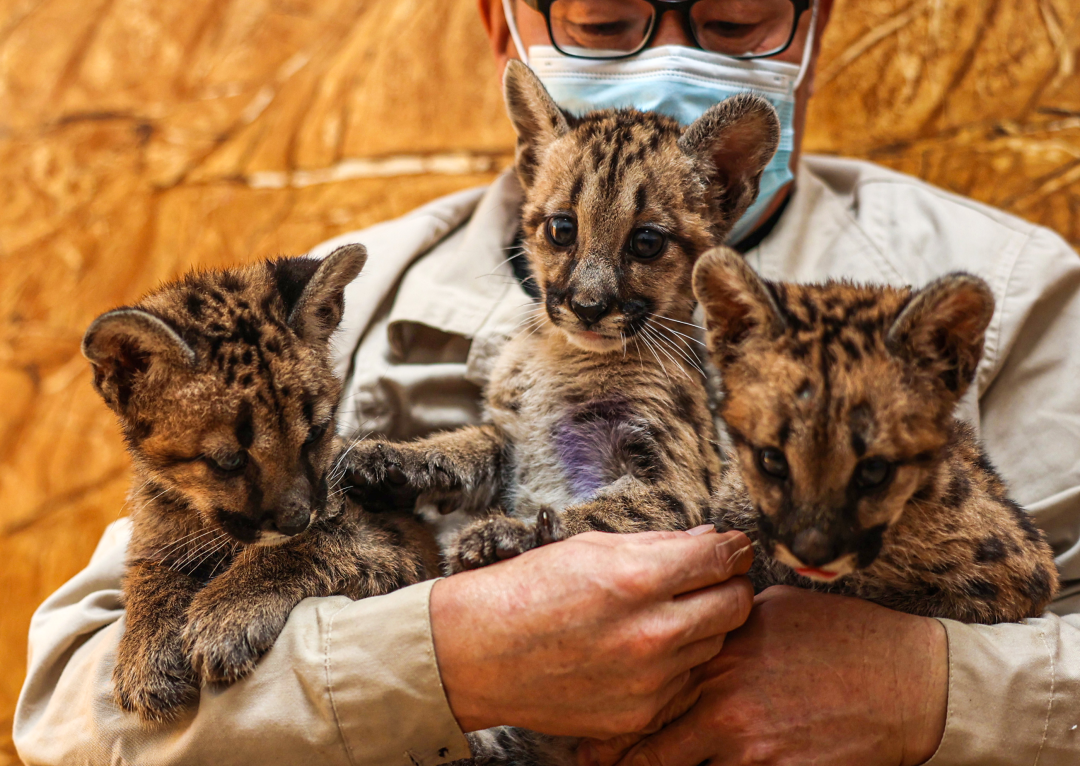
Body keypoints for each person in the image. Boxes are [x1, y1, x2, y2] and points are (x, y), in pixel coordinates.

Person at [14, 1, 1080, 764]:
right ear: (502, 29)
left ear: (814, 30)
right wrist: (442, 662)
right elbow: (73, 710)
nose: (669, 57)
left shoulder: (1006, 291)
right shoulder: (332, 303)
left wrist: (924, 693)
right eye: (607, 23)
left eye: (735, 19)